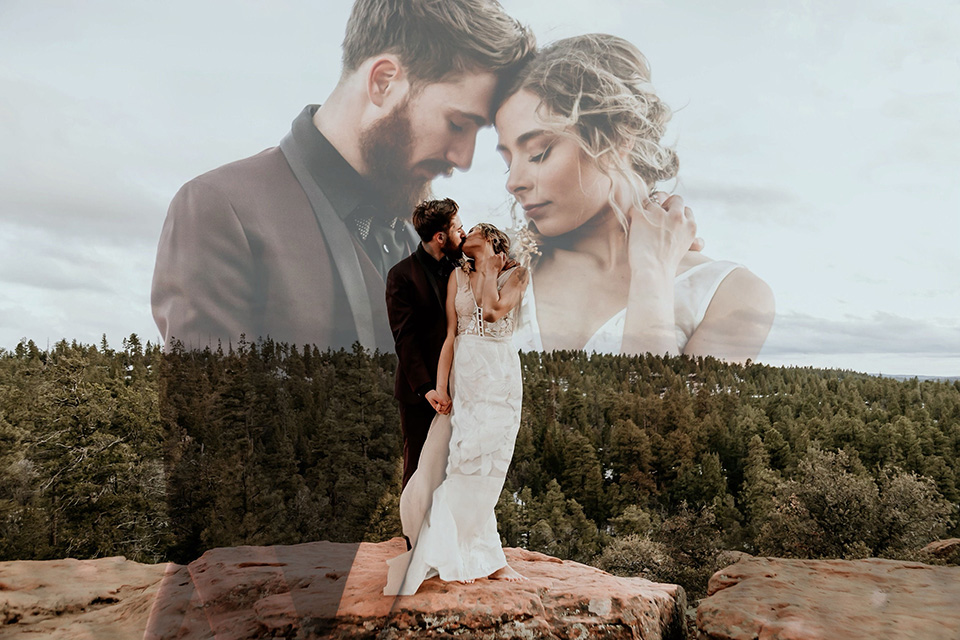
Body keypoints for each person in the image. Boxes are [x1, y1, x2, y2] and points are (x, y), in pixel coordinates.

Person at [151, 0, 534, 352]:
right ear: (383, 81)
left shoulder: (425, 229)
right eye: (457, 123)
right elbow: (210, 413)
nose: (462, 159)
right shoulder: (220, 208)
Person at [495, 34, 775, 362]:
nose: (513, 183)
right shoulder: (497, 269)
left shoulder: (731, 294)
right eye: (507, 161)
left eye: (538, 153)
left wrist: (652, 273)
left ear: (617, 136)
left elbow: (657, 413)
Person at [384, 223, 528, 596]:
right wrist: (441, 387)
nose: (467, 232)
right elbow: (451, 336)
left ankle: (486, 556)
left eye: (476, 229)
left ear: (492, 241)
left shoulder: (517, 273)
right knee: (464, 458)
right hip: (467, 372)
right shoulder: (456, 277)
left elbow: (493, 312)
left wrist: (491, 270)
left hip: (499, 373)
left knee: (491, 462)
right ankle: (458, 551)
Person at [386, 198, 465, 490]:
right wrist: (426, 388)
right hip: (419, 392)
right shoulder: (401, 275)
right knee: (418, 466)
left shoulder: (463, 267)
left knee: (455, 466)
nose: (464, 233)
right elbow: (404, 338)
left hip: (460, 384)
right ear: (440, 236)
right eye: (458, 228)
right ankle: (414, 535)